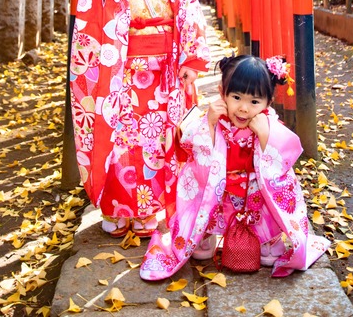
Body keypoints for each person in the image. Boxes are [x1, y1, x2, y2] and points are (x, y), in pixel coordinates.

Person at [69, 0, 211, 239]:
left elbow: (189, 8)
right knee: (118, 137)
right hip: (119, 68)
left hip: (160, 69)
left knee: (153, 140)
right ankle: (117, 207)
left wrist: (190, 60)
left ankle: (148, 210)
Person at [139, 54, 330, 280]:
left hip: (253, 190)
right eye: (236, 97)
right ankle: (205, 234)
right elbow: (192, 151)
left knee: (271, 192)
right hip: (220, 186)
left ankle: (268, 239)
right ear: (222, 94)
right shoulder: (213, 118)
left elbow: (281, 164)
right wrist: (209, 124)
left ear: (268, 102)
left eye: (254, 101)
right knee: (202, 183)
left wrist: (265, 134)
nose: (243, 108)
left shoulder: (268, 123)